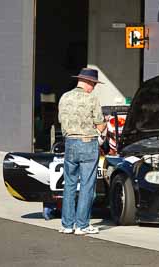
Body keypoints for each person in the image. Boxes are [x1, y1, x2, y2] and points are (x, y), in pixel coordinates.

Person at [58, 68, 106, 235]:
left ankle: (67, 224)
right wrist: (102, 130)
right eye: (94, 84)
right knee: (87, 185)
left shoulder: (65, 97)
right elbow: (100, 123)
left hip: (70, 142)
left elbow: (60, 120)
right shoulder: (91, 98)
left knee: (69, 184)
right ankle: (82, 225)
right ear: (89, 83)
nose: (94, 87)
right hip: (87, 143)